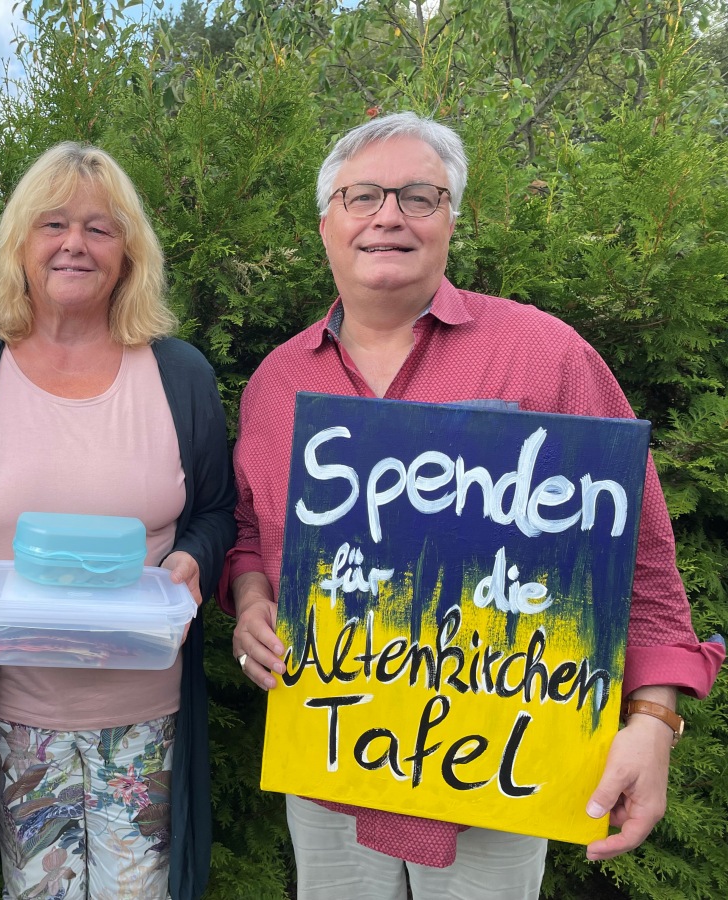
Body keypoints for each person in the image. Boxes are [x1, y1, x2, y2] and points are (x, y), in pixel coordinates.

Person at [222, 112, 724, 899]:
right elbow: (253, 530)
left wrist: (653, 722)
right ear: (327, 224)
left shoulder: (546, 357)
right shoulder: (276, 385)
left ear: (452, 219)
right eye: (362, 197)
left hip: (498, 780)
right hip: (327, 770)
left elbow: (644, 561)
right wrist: (252, 597)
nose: (389, 215)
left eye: (419, 196)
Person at [0, 141, 236, 899]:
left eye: (100, 227)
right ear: (20, 243)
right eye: (52, 223)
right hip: (17, 715)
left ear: (129, 253)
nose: (74, 244)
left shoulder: (179, 374)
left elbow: (216, 511)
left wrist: (193, 561)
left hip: (148, 715)